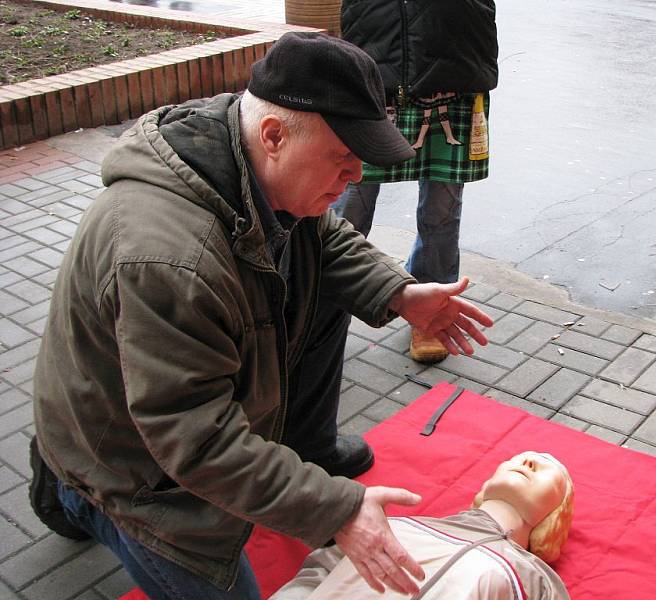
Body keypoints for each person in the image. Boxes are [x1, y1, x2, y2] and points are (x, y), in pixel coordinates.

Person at [29, 32, 494, 600]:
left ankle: (302, 451)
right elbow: (195, 441)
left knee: (328, 288)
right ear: (274, 135)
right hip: (137, 468)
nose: (357, 177)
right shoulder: (169, 261)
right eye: (344, 159)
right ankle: (71, 489)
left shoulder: (246, 148)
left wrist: (399, 292)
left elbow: (325, 239)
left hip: (175, 407)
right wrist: (335, 511)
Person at [334, 0, 499, 364]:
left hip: (456, 66)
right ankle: (323, 309)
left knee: (442, 209)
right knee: (347, 202)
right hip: (375, 66)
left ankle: (431, 308)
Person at [273, 452, 574, 599]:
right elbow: (318, 573)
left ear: (556, 513)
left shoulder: (535, 577)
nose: (527, 464)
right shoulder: (387, 523)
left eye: (547, 470)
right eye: (516, 459)